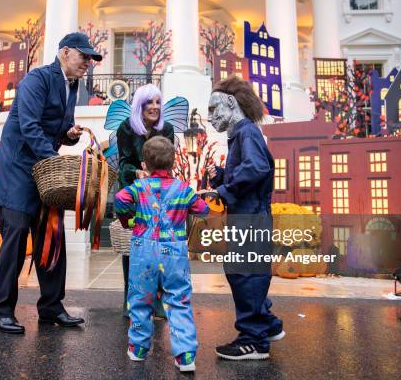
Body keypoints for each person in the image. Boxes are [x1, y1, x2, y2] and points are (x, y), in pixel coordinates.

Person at [0, 32, 103, 334]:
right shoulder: (36, 80)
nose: (88, 63)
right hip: (18, 170)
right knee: (15, 242)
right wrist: (53, 158)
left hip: (43, 169)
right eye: (84, 56)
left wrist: (69, 134)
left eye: (91, 59)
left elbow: (57, 128)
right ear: (65, 52)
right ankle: (1, 311)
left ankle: (51, 308)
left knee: (52, 239)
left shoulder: (72, 85)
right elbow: (28, 126)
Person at [114, 136, 209, 372]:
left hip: (143, 250)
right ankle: (185, 355)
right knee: (179, 299)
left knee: (140, 298)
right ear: (173, 163)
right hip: (174, 251)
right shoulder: (183, 189)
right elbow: (203, 209)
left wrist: (127, 220)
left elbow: (120, 199)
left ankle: (138, 348)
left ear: (145, 165)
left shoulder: (138, 187)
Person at [206, 76, 284, 360]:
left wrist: (226, 188)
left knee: (244, 274)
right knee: (246, 273)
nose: (210, 116)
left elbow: (257, 167)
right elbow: (252, 170)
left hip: (251, 218)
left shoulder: (246, 132)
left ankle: (254, 340)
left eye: (214, 109)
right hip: (250, 216)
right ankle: (267, 325)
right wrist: (223, 178)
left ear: (230, 102)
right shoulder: (243, 133)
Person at [116, 83, 174, 318]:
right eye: (149, 102)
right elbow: (123, 163)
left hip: (160, 195)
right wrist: (136, 173)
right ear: (140, 105)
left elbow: (169, 161)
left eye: (158, 102)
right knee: (134, 249)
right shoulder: (126, 128)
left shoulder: (166, 129)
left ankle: (157, 299)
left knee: (158, 248)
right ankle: (131, 300)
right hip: (135, 196)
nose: (154, 107)